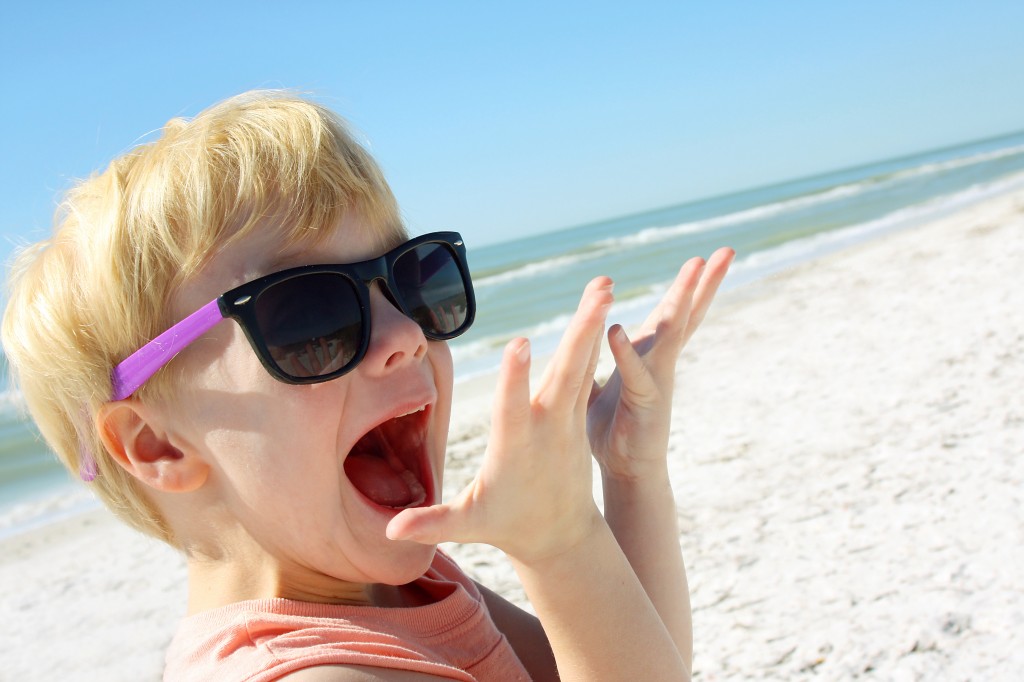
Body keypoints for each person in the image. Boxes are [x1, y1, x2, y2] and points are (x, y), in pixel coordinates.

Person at [1, 90, 733, 681]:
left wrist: (628, 474)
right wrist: (562, 545)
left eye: (414, 281)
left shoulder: (409, 592)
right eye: (311, 314)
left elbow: (631, 659)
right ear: (158, 443)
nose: (407, 335)